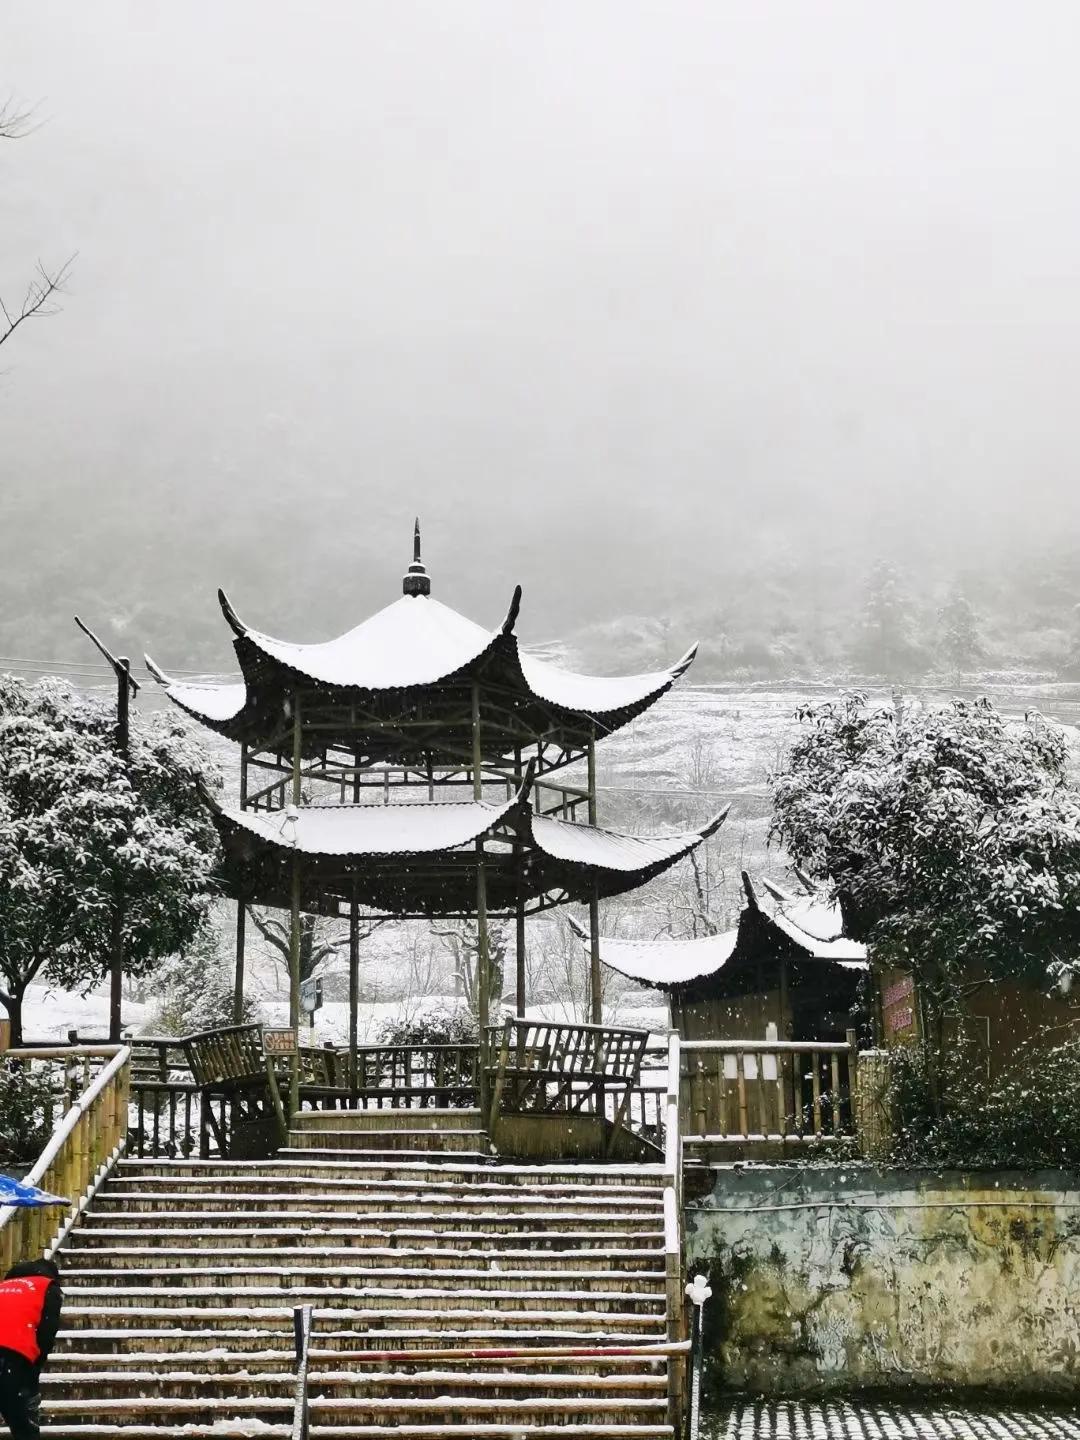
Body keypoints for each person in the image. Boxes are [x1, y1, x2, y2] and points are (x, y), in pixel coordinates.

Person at [0, 1259, 62, 1440]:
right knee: (23, 1425)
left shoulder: (3, 1287)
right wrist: (34, 1370)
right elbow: (46, 1333)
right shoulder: (47, 1287)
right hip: (13, 1354)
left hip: (10, 1352)